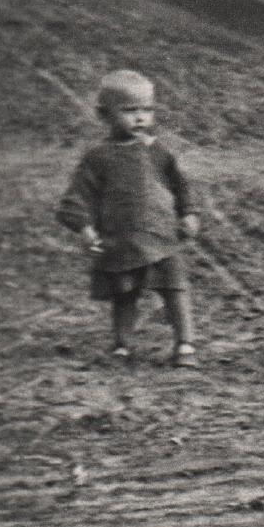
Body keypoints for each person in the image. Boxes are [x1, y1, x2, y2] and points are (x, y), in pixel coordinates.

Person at [57, 69, 200, 366]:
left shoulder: (158, 152)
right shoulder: (98, 157)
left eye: (146, 110)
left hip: (161, 235)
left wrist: (188, 213)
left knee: (174, 287)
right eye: (129, 110)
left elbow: (180, 184)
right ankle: (123, 344)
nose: (140, 118)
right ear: (104, 114)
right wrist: (86, 230)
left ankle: (185, 344)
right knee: (125, 294)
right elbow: (77, 197)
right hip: (121, 238)